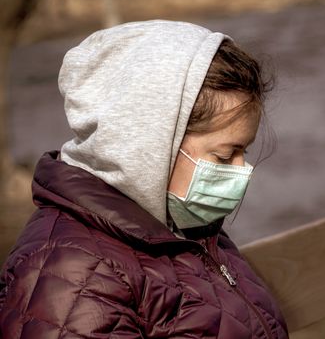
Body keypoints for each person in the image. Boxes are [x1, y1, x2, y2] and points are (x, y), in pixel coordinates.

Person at [0, 20, 288, 338]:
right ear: (148, 145)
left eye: (244, 151)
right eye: (223, 156)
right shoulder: (70, 271)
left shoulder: (189, 232)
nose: (241, 169)